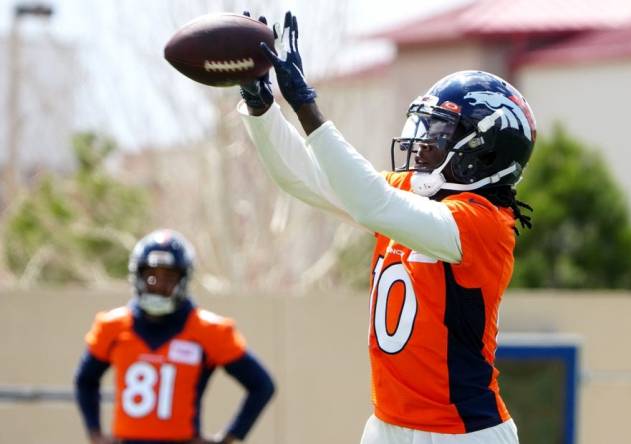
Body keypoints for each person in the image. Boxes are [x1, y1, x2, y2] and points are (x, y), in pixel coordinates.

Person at [239, 11, 536, 444]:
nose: (424, 142)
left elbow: (370, 202)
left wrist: (306, 105)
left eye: (440, 131)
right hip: (386, 426)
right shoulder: (414, 194)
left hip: (462, 434)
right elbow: (303, 178)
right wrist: (261, 108)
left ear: (484, 151)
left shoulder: (486, 226)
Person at [74, 229, 275, 444]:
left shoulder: (209, 331)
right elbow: (85, 379)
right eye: (151, 276)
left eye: (169, 277)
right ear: (137, 276)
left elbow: (261, 385)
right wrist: (95, 434)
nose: (159, 285)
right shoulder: (112, 327)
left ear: (184, 280)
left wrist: (228, 438)